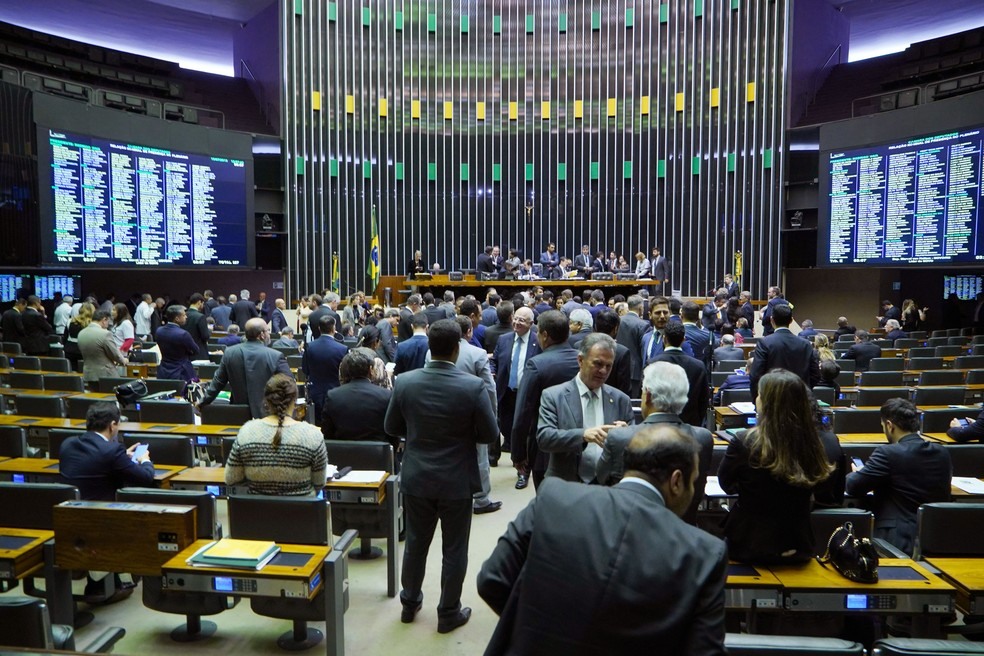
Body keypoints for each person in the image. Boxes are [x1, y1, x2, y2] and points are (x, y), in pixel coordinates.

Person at [478, 426, 727, 655]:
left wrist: (535, 628)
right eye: (693, 481)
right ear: (676, 481)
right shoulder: (704, 554)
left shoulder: (553, 497)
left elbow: (491, 580)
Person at [384, 319, 498, 634]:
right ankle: (448, 612)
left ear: (430, 348)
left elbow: (391, 427)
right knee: (455, 548)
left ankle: (409, 603)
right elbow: (489, 434)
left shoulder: (405, 382)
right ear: (457, 347)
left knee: (416, 543)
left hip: (417, 475)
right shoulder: (472, 386)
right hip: (457, 479)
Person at [718, 370, 834, 564]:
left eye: (760, 394)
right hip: (798, 543)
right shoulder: (815, 441)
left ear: (767, 402)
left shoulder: (744, 440)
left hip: (748, 544)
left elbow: (726, 483)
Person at [58, 401, 154, 604]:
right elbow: (146, 477)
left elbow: (95, 463)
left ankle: (109, 580)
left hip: (67, 517)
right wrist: (144, 459)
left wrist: (122, 457)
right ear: (112, 425)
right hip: (101, 520)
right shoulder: (111, 451)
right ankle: (113, 578)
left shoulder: (67, 444)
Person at [598, 361, 714, 525]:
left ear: (649, 395)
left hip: (630, 532)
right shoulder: (704, 437)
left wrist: (625, 432)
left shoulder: (619, 437)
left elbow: (601, 477)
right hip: (683, 534)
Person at [845, 398, 952, 555]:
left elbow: (853, 486)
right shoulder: (942, 452)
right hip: (937, 537)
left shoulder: (888, 453)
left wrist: (857, 473)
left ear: (889, 425)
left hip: (895, 540)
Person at [537, 333, 634, 483]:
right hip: (566, 486)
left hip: (607, 488)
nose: (603, 371)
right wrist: (583, 435)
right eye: (598, 364)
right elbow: (544, 437)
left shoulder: (621, 400)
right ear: (580, 360)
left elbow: (635, 450)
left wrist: (627, 434)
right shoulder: (554, 396)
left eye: (609, 366)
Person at [225, 373, 328, 496]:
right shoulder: (313, 435)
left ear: (266, 401)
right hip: (301, 513)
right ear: (295, 401)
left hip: (256, 513)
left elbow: (231, 478)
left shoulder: (246, 431)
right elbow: (319, 482)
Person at [511, 310, 581, 491]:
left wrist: (518, 454)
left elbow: (523, 413)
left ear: (544, 335)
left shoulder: (536, 364)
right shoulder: (582, 360)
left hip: (545, 449)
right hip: (581, 442)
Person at [199, 318, 293, 418]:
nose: (269, 334)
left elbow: (218, 382)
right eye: (267, 331)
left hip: (238, 412)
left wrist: (202, 402)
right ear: (261, 335)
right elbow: (289, 383)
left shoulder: (230, 353)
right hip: (269, 414)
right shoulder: (275, 355)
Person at [490, 306, 540, 465]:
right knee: (506, 426)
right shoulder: (504, 339)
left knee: (524, 429)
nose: (517, 323)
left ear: (531, 323)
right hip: (506, 392)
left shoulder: (537, 341)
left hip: (526, 393)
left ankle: (522, 464)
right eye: (516, 318)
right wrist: (492, 371)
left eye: (522, 320)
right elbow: (495, 360)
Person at [322, 348, 397, 450]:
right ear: (370, 370)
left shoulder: (333, 396)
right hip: (379, 459)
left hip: (343, 457)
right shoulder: (386, 395)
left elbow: (327, 434)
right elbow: (393, 434)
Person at [749, 303, 820, 400]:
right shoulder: (805, 344)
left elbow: (756, 375)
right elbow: (815, 374)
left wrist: (757, 400)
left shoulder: (764, 343)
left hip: (772, 399)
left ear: (771, 320)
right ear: (791, 320)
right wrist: (804, 392)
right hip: (799, 399)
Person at [653, 322, 709, 428]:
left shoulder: (652, 364)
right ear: (683, 340)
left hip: (659, 428)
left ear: (664, 339)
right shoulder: (699, 366)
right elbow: (703, 401)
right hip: (690, 427)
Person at [302, 315, 348, 425]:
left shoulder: (309, 346)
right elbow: (346, 374)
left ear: (319, 329)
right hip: (336, 393)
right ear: (334, 329)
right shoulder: (342, 349)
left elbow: (305, 369)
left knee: (316, 424)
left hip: (315, 393)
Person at [641, 295, 694, 367]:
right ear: (650, 315)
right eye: (658, 313)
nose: (662, 316)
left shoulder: (679, 337)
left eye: (665, 312)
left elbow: (689, 364)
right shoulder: (646, 338)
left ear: (670, 313)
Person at [78, 309, 126, 386]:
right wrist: (124, 360)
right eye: (108, 321)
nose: (108, 324)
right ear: (104, 320)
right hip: (106, 375)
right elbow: (115, 355)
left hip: (88, 374)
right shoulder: (105, 334)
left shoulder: (81, 333)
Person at [155, 305, 199, 385]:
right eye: (184, 315)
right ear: (177, 318)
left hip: (163, 370)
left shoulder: (159, 331)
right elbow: (196, 350)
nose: (186, 317)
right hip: (181, 372)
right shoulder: (183, 334)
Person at [64, 301, 94, 370]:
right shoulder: (92, 324)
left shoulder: (70, 321)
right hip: (85, 351)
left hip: (69, 350)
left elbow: (65, 338)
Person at [183, 294, 211, 359]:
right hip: (198, 352)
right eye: (203, 303)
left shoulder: (182, 314)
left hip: (185, 352)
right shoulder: (201, 316)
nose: (203, 306)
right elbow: (205, 336)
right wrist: (209, 330)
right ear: (199, 302)